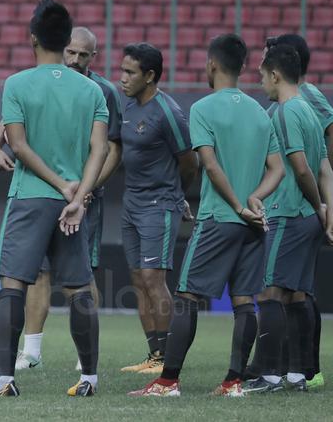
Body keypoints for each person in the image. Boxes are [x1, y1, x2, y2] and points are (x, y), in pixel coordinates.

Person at [130, 34, 285, 398]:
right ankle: (233, 381)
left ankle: (167, 381)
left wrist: (236, 206)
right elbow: (277, 168)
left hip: (220, 217)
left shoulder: (202, 109)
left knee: (186, 297)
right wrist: (255, 200)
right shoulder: (260, 113)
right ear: (243, 67)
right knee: (244, 300)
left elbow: (211, 167)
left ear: (212, 65)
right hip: (253, 223)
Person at [0, 0, 108, 398]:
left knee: (13, 285)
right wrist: (78, 193)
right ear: (65, 40)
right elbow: (99, 150)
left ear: (33, 38)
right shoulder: (92, 90)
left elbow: (17, 145)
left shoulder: (17, 84)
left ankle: (5, 380)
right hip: (73, 204)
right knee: (79, 289)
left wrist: (59, 184)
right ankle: (89, 379)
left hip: (31, 197)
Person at [4, 26, 121, 371]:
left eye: (84, 55)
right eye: (71, 52)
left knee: (82, 279)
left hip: (82, 197)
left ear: (94, 57)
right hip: (51, 192)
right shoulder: (37, 84)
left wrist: (87, 190)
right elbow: (11, 129)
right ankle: (33, 350)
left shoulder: (102, 91)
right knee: (37, 273)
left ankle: (83, 357)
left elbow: (111, 150)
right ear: (62, 49)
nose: (75, 60)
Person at [242, 44, 328, 394]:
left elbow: (303, 170)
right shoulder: (308, 110)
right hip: (308, 217)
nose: (260, 81)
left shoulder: (284, 112)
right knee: (296, 295)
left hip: (287, 212)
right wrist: (324, 211)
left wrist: (315, 202)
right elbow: (326, 168)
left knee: (268, 291)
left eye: (262, 75)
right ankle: (298, 374)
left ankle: (271, 374)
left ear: (275, 75)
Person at [116, 43, 197, 376]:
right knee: (138, 279)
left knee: (153, 277)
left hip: (159, 205)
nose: (122, 78)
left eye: (130, 72)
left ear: (150, 76)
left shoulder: (169, 112)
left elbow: (190, 163)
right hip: (131, 204)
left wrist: (176, 196)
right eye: (122, 70)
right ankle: (153, 354)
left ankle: (166, 359)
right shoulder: (129, 107)